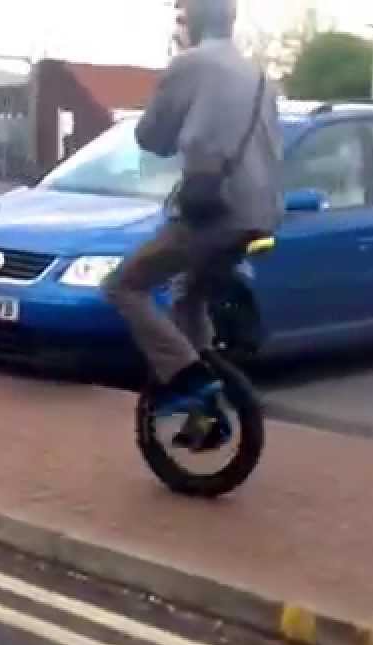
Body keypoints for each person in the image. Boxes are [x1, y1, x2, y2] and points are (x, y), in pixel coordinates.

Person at [103, 0, 282, 416]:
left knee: (123, 285)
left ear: (195, 21)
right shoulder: (261, 78)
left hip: (215, 213)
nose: (180, 26)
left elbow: (152, 137)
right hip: (262, 216)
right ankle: (206, 408)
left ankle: (187, 377)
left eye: (182, 18)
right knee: (188, 295)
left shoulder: (192, 64)